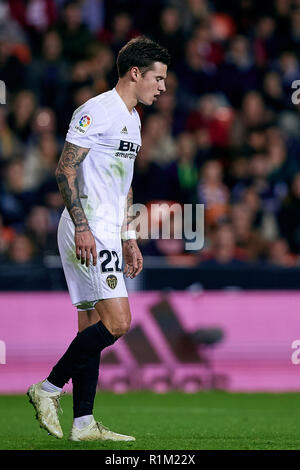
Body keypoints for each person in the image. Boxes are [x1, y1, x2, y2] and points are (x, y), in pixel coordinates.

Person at [27, 36, 170, 442]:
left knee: (90, 325)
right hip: (85, 228)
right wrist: (85, 227)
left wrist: (129, 236)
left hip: (109, 230)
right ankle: (49, 388)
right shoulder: (96, 110)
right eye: (158, 79)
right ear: (135, 73)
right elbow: (64, 170)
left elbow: (124, 185)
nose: (162, 87)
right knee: (119, 322)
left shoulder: (134, 120)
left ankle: (83, 423)